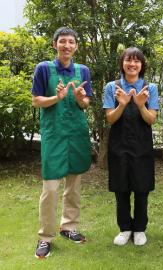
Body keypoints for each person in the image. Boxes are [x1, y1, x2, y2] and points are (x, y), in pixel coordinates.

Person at [31, 27, 92, 259]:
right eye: (63, 41)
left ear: (76, 46)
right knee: (50, 189)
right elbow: (36, 101)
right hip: (54, 134)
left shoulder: (82, 70)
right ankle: (45, 236)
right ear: (55, 44)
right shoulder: (44, 69)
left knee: (74, 185)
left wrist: (79, 98)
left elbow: (86, 103)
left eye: (71, 42)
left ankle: (69, 226)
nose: (67, 45)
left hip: (76, 133)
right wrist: (56, 98)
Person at [103, 47, 159, 246]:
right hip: (119, 146)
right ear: (122, 63)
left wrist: (141, 104)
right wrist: (123, 104)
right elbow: (110, 118)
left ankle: (140, 229)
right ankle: (125, 228)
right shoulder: (112, 87)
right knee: (121, 189)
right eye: (128, 60)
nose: (132, 64)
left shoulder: (149, 88)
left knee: (142, 188)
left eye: (137, 61)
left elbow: (151, 119)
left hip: (142, 147)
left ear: (142, 65)